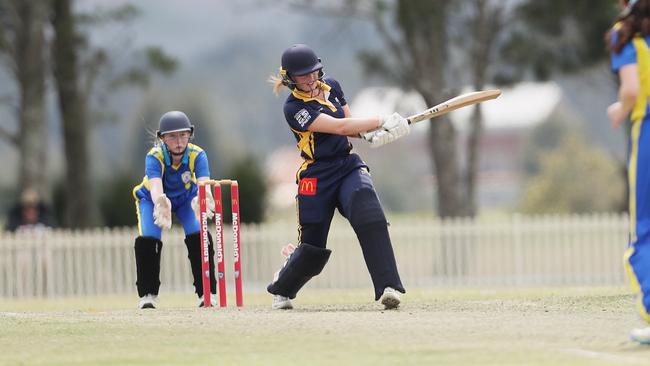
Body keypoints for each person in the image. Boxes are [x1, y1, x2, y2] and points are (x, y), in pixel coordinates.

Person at [267, 44, 408, 310]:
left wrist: (373, 134)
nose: (310, 79)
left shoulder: (332, 87)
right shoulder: (294, 108)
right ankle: (282, 286)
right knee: (312, 249)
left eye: (314, 72)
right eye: (302, 75)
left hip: (347, 165)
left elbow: (350, 127)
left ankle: (389, 286)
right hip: (316, 175)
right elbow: (338, 126)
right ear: (289, 79)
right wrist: (380, 119)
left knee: (368, 211)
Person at [132, 111, 217, 309]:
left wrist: (203, 197)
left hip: (187, 199)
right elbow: (155, 186)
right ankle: (147, 295)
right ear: (162, 138)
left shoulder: (198, 154)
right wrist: (160, 201)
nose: (178, 141)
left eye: (183, 135)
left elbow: (204, 182)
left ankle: (207, 293)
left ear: (190, 134)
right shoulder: (155, 156)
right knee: (149, 239)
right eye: (172, 136)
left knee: (199, 235)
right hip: (153, 199)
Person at [607, 0, 650, 344]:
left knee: (644, 233)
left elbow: (632, 90)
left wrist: (620, 109)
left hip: (648, 133)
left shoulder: (624, 35)